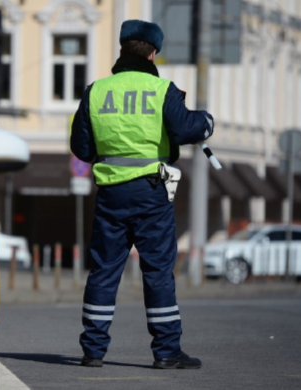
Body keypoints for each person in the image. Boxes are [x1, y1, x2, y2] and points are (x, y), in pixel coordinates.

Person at [71, 20, 214, 369]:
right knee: (158, 272)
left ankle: (92, 350)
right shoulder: (162, 90)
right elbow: (185, 128)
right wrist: (206, 121)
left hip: (110, 194)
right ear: (152, 53)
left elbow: (81, 147)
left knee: (104, 271)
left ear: (123, 49)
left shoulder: (96, 91)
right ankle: (166, 352)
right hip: (152, 192)